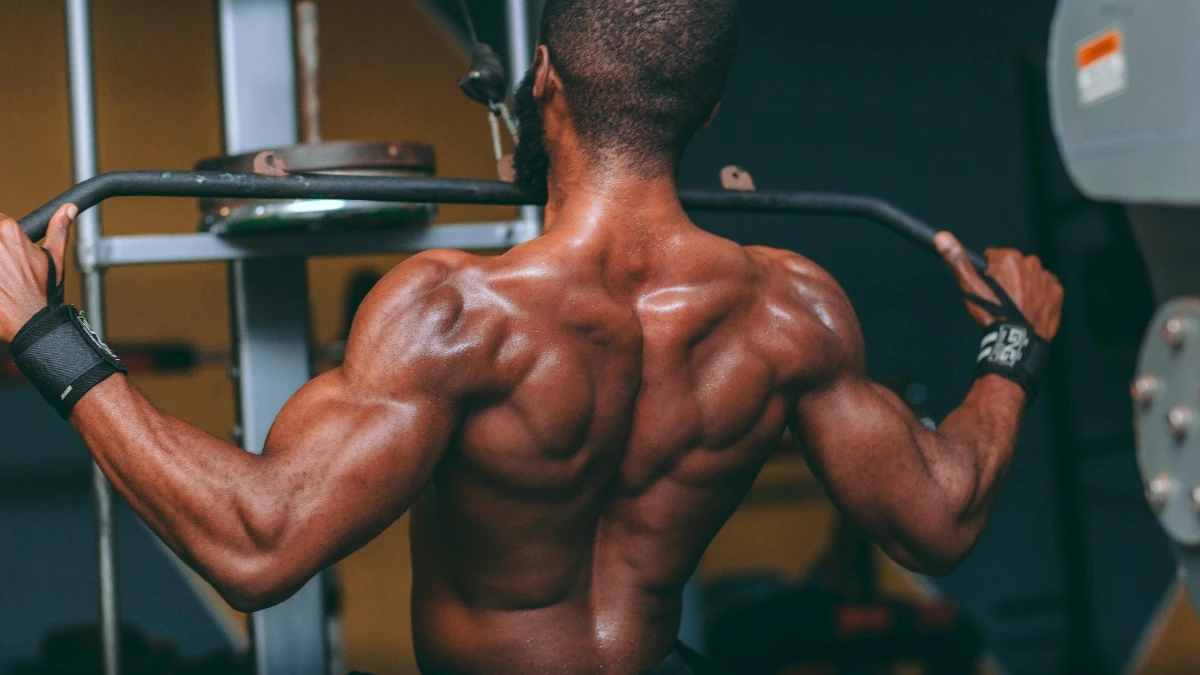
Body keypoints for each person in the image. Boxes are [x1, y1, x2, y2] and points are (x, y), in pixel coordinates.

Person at [0, 0, 1063, 673]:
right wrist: (1010, 353)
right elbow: (939, 516)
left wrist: (45, 333)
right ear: (706, 111)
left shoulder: (457, 316)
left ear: (544, 78)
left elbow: (259, 543)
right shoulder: (793, 309)